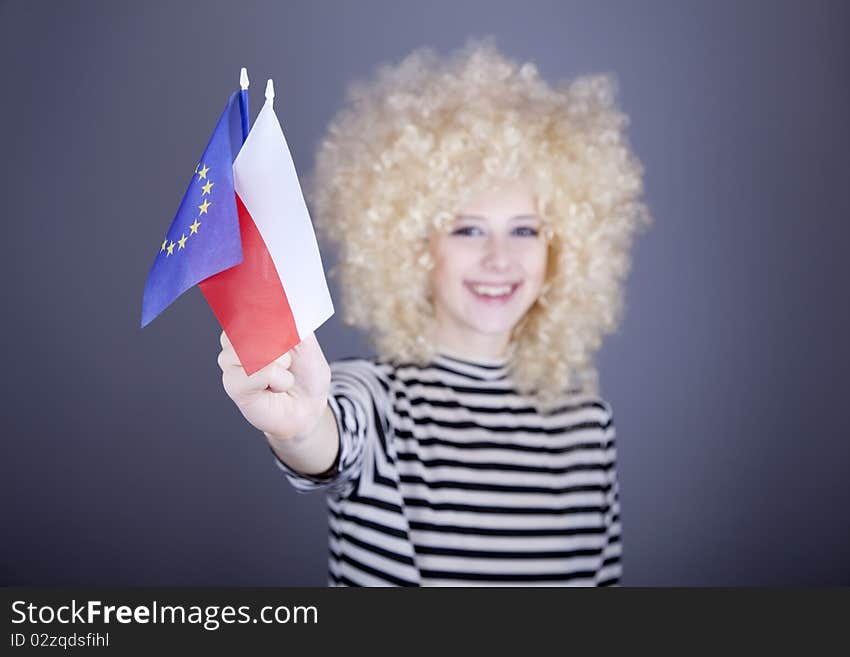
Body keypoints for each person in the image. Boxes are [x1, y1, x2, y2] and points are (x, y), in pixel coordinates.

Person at [217, 38, 652, 586]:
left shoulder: (588, 425)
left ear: (559, 247)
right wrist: (299, 426)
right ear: (416, 248)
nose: (500, 258)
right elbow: (327, 441)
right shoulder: (376, 398)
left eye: (524, 229)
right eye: (468, 229)